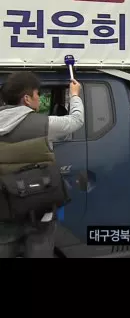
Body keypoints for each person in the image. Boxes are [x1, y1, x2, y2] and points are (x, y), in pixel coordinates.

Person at [0, 71, 84, 258]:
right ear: (27, 99)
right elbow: (76, 121)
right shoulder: (44, 124)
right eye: (38, 94)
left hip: (4, 210)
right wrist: (74, 95)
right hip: (39, 208)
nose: (39, 98)